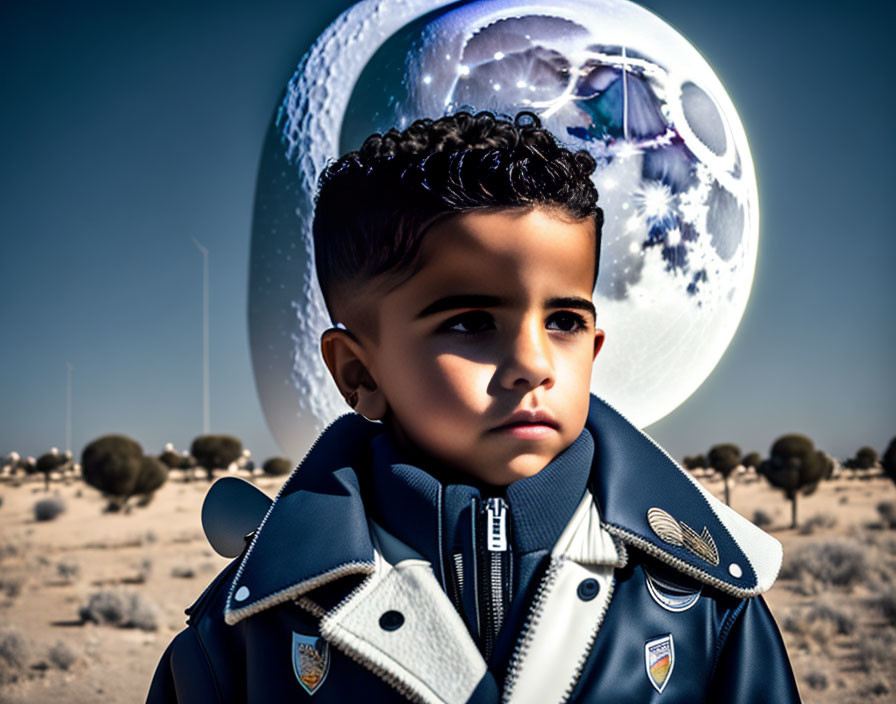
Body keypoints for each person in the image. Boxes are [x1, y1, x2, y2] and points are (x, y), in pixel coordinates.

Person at [147, 110, 800, 703]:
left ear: (596, 346)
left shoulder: (703, 602)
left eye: (565, 321)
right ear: (358, 372)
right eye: (469, 323)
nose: (535, 364)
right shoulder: (250, 628)